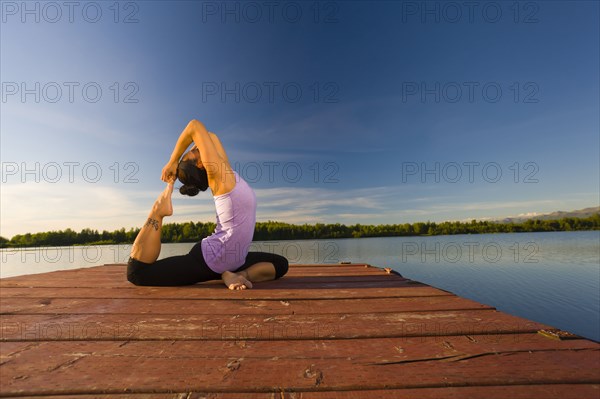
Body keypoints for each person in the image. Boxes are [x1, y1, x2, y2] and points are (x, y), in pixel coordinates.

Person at [126, 119, 288, 290]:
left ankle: (237, 275)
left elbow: (211, 137)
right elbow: (194, 126)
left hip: (234, 260)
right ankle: (157, 211)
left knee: (280, 264)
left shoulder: (226, 172)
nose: (196, 146)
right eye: (193, 151)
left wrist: (240, 273)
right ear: (201, 163)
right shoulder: (218, 174)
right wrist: (173, 161)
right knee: (138, 273)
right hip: (208, 259)